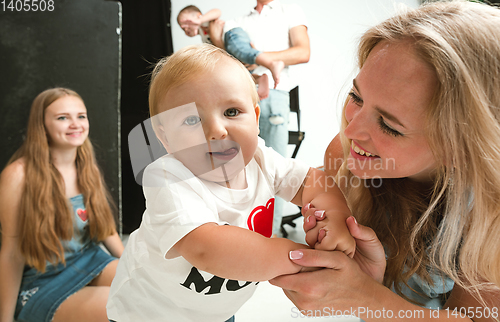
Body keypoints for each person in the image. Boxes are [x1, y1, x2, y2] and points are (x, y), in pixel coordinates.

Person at [270, 1, 500, 320]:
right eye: (356, 98)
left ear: (461, 148)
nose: (351, 131)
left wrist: (364, 296)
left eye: (390, 125)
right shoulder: (344, 154)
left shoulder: (489, 214)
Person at [106, 44, 354, 322]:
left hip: (218, 312)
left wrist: (334, 217)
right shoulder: (167, 177)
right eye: (192, 119)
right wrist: (300, 257)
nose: (216, 130)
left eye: (232, 112)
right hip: (150, 313)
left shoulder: (261, 158)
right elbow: (207, 248)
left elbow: (311, 181)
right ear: (164, 137)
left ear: (256, 119)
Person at [0, 88, 124, 322]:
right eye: (62, 117)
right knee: (119, 306)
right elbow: (11, 255)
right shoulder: (18, 175)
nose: (75, 124)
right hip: (44, 280)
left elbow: (107, 229)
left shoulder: (88, 167)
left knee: (148, 286)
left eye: (81, 116)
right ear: (42, 124)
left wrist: (132, 264)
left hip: (89, 259)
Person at [210, 0, 311, 237]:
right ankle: (241, 234)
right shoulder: (240, 21)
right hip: (241, 94)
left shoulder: (290, 10)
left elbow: (303, 51)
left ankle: (270, 238)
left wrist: (261, 58)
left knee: (274, 170)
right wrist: (218, 41)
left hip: (274, 95)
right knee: (236, 167)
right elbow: (229, 58)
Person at [176, 5, 285, 101]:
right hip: (229, 45)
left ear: (198, 16)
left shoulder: (205, 22)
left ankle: (272, 63)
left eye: (186, 22)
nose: (184, 28)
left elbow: (217, 11)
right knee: (241, 71)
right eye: (182, 28)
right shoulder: (204, 37)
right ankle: (259, 79)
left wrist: (200, 21)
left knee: (242, 51)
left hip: (232, 34)